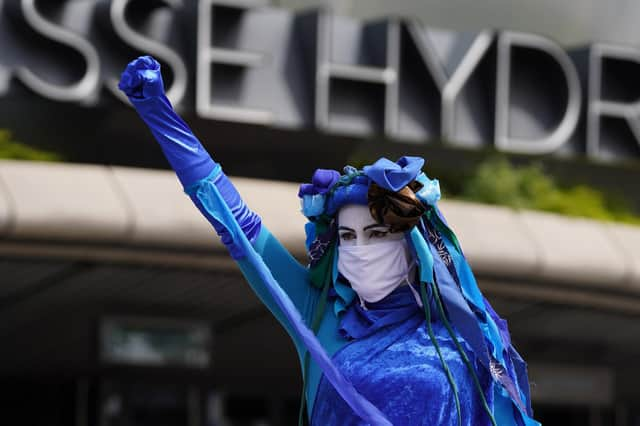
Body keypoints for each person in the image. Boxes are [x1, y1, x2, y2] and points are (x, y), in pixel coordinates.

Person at [119, 56, 540, 426]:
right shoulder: (317, 317)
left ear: (417, 248)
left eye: (377, 233)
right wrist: (159, 114)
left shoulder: (466, 335)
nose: (359, 249)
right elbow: (238, 227)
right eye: (347, 236)